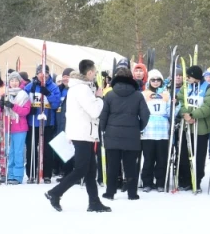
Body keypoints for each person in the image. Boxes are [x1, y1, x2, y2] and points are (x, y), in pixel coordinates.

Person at [45, 60, 110, 212]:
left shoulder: (77, 88)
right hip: (83, 133)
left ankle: (94, 202)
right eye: (94, 73)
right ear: (89, 73)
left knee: (90, 170)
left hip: (82, 132)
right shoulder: (82, 89)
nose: (95, 76)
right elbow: (94, 111)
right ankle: (55, 193)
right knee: (81, 169)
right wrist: (100, 98)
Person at [100, 66, 148, 200]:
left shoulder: (109, 95)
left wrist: (103, 130)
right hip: (132, 135)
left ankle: (110, 192)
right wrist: (138, 127)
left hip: (112, 134)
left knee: (113, 166)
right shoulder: (138, 95)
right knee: (131, 165)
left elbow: (103, 115)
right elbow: (145, 114)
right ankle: (132, 193)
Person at [176, 65, 210, 191]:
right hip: (186, 127)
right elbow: (180, 102)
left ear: (196, 77)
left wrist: (193, 115)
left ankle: (196, 180)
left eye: (189, 76)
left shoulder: (209, 88)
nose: (186, 78)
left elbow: (208, 107)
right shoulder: (185, 86)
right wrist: (186, 115)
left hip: (201, 128)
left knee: (199, 157)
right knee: (184, 155)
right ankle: (185, 180)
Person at [25, 65, 62, 183]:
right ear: (36, 74)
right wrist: (29, 109)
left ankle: (47, 174)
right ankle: (31, 172)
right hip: (32, 122)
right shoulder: (30, 86)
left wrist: (48, 94)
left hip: (47, 123)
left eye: (45, 73)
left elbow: (56, 104)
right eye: (40, 73)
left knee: (46, 149)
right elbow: (23, 100)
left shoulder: (53, 87)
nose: (43, 75)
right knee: (32, 148)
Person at [139, 69, 171, 192]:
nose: (156, 82)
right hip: (148, 130)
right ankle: (147, 182)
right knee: (148, 158)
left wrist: (176, 105)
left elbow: (170, 111)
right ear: (149, 81)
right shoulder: (144, 94)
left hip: (162, 130)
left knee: (161, 159)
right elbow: (140, 111)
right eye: (153, 80)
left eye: (158, 80)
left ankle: (160, 182)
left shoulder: (166, 94)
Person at [3, 71, 32, 184]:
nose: (14, 83)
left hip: (20, 127)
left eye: (16, 80)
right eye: (12, 80)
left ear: (19, 82)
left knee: (18, 152)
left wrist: (13, 106)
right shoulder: (6, 94)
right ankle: (10, 174)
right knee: (10, 151)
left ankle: (17, 176)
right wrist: (1, 104)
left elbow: (25, 111)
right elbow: (0, 110)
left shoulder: (23, 95)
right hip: (8, 126)